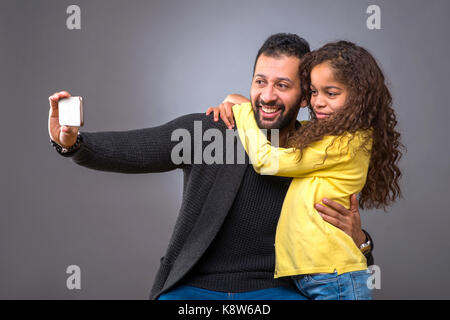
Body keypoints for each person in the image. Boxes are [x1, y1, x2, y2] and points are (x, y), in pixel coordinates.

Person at [47, 33, 374, 300]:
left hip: (277, 291)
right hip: (194, 291)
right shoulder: (210, 131)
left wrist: (361, 240)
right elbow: (133, 149)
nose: (267, 96)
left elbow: (339, 261)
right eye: (260, 82)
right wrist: (73, 142)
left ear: (305, 97)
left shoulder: (318, 150)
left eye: (283, 85)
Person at [206, 41, 402, 300]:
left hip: (335, 277)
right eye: (313, 92)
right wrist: (247, 109)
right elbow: (281, 134)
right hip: (316, 275)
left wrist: (244, 112)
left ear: (359, 96)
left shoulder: (347, 142)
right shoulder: (329, 136)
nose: (318, 102)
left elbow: (268, 161)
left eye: (331, 93)